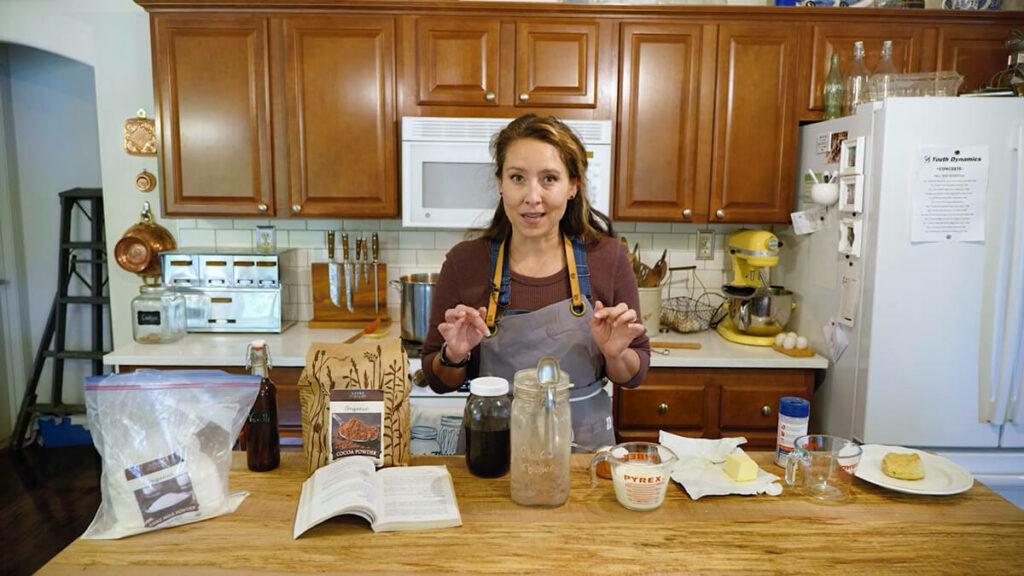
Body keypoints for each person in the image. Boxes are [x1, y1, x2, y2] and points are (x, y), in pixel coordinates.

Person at [421, 114, 650, 452]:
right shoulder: (465, 263)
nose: (532, 196)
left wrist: (615, 354)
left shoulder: (609, 259)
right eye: (517, 177)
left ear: (572, 186)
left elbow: (634, 374)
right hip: (494, 455)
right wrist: (454, 355)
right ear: (501, 183)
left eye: (549, 179)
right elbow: (438, 379)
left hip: (581, 457)